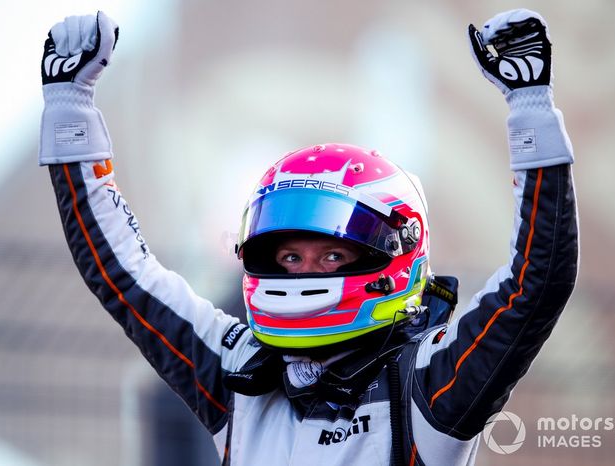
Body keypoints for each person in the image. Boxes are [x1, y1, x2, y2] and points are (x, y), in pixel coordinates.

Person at [38, 8, 578, 466]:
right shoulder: (238, 375)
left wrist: (530, 108)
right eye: (290, 255)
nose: (304, 272)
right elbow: (123, 275)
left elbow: (537, 281)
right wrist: (70, 111)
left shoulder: (426, 383)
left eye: (333, 254)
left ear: (394, 253)